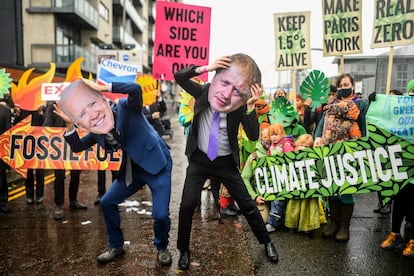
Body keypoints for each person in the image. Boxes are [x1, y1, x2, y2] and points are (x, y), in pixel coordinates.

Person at [174, 53, 279, 270]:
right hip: (199, 160)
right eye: (225, 83)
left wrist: (250, 107)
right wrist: (206, 67)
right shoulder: (203, 91)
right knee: (186, 206)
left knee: (248, 205)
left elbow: (251, 135)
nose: (227, 93)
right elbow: (179, 76)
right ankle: (183, 250)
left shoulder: (240, 105)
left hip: (225, 163)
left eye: (237, 89)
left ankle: (266, 242)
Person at [55, 79, 173, 265]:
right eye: (83, 114)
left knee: (160, 215)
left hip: (156, 163)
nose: (92, 115)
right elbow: (77, 147)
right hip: (132, 169)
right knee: (107, 202)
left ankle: (162, 248)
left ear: (103, 100)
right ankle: (116, 245)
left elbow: (135, 89)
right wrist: (71, 125)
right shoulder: (96, 129)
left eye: (93, 104)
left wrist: (103, 87)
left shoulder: (127, 108)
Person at [314, 73, 369, 242]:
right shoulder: (331, 106)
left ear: (353, 86)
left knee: (345, 188)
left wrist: (365, 147)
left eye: (347, 84)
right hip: (330, 151)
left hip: (350, 152)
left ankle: (344, 226)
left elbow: (365, 123)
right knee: (332, 188)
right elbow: (322, 125)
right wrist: (317, 137)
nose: (344, 87)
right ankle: (334, 223)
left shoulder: (361, 104)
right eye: (341, 85)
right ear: (337, 88)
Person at [43, 101, 88, 220]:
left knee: (76, 173)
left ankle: (73, 200)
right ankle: (59, 205)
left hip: (74, 143)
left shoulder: (77, 105)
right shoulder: (52, 105)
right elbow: (46, 125)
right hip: (58, 148)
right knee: (59, 176)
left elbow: (82, 123)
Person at [284, 134, 326, 236]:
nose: (303, 148)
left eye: (306, 146)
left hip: (310, 190)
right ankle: (292, 225)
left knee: (309, 208)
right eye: (301, 145)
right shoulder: (293, 156)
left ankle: (308, 227)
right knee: (293, 207)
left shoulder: (313, 157)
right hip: (296, 187)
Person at [25, 106, 45, 204]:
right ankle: (29, 195)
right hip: (27, 146)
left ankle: (40, 195)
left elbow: (48, 126)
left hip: (40, 146)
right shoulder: (25, 110)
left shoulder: (43, 109)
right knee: (28, 173)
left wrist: (41, 113)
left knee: (40, 172)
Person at [0, 103, 12, 213]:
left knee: (2, 177)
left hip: (1, 150)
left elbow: (8, 131)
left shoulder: (5, 110)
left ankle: (3, 202)